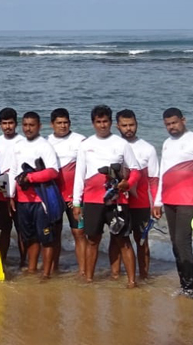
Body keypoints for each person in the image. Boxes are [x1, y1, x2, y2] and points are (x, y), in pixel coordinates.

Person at [72, 105, 141, 288]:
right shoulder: (86, 145)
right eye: (98, 122)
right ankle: (88, 279)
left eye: (105, 121)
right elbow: (79, 175)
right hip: (92, 200)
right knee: (92, 240)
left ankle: (132, 282)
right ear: (93, 123)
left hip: (117, 200)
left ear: (111, 123)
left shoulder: (121, 144)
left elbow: (135, 171)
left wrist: (127, 183)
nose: (102, 125)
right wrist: (77, 203)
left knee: (123, 240)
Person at [152, 108, 193, 296]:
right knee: (175, 243)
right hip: (169, 200)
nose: (172, 127)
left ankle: (190, 288)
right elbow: (163, 174)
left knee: (182, 241)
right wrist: (158, 202)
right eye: (168, 124)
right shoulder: (167, 143)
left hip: (188, 200)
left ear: (183, 120)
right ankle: (184, 283)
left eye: (175, 122)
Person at [8, 112, 60, 279]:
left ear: (39, 126)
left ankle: (46, 274)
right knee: (29, 237)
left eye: (32, 125)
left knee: (46, 237)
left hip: (41, 199)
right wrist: (11, 195)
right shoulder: (18, 145)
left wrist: (31, 177)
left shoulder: (44, 145)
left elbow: (53, 171)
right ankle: (32, 270)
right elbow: (13, 171)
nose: (28, 128)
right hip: (23, 200)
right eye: (25, 125)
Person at [110, 109, 158, 280]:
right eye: (124, 125)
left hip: (141, 202)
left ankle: (144, 276)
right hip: (119, 202)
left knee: (141, 240)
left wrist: (156, 204)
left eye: (132, 125)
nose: (128, 128)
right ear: (117, 126)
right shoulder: (112, 145)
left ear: (137, 124)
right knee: (116, 238)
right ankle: (115, 276)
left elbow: (153, 179)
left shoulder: (148, 149)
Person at [46, 108, 86, 275]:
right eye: (59, 123)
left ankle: (83, 271)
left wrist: (80, 197)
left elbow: (86, 170)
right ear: (52, 124)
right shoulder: (45, 142)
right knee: (54, 234)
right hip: (54, 197)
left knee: (79, 232)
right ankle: (53, 269)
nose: (63, 126)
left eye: (65, 122)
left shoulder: (80, 141)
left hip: (74, 197)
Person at [0, 108, 24, 265]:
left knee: (21, 229)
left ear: (16, 124)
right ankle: (2, 259)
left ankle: (24, 261)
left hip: (19, 188)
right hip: (1, 187)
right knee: (5, 228)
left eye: (10, 123)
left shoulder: (23, 141)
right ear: (0, 125)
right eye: (4, 123)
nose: (7, 127)